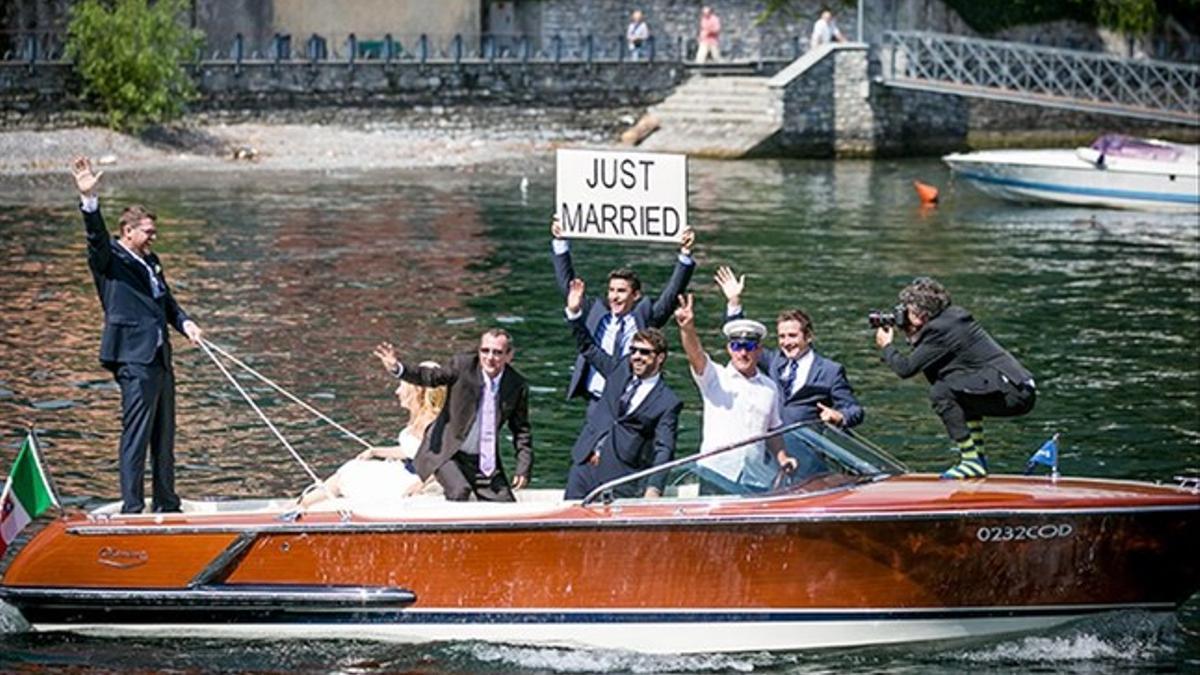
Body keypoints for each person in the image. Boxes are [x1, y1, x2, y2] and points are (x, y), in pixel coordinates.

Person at [71, 155, 203, 514]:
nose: (153, 237)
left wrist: (185, 322)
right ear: (128, 232)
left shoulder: (152, 260)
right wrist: (89, 200)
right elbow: (96, 237)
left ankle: (166, 502)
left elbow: (167, 300)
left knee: (164, 437)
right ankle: (132, 508)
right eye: (147, 231)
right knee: (136, 435)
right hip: (133, 357)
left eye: (153, 232)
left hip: (160, 357)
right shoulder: (108, 258)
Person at [875, 277, 1036, 480]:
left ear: (919, 315)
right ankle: (978, 460)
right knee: (958, 390)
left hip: (1012, 393)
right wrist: (912, 336)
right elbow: (932, 362)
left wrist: (887, 346)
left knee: (942, 392)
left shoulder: (940, 330)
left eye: (906, 310)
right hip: (1017, 388)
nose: (902, 315)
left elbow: (905, 369)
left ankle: (971, 461)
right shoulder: (951, 320)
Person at [550, 218, 695, 408]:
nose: (614, 297)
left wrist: (685, 253)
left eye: (621, 291)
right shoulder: (595, 311)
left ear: (635, 295)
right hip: (597, 400)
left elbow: (670, 294)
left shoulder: (645, 316)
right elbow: (567, 286)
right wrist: (561, 242)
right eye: (611, 290)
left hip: (631, 402)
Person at [375, 330, 532, 501]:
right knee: (460, 492)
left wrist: (523, 467)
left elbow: (521, 430)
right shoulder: (462, 366)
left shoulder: (516, 384)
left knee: (505, 502)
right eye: (485, 351)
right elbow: (430, 376)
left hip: (482, 460)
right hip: (446, 452)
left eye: (497, 352)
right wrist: (398, 368)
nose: (490, 357)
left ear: (509, 355)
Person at [563, 279, 682, 500]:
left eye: (645, 353)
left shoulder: (668, 401)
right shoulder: (619, 370)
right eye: (634, 350)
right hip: (585, 465)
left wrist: (654, 488)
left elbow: (665, 448)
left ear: (660, 358)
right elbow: (588, 347)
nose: (637, 356)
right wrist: (574, 313)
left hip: (621, 475)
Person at [674, 294, 796, 493]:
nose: (742, 353)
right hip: (716, 475)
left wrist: (782, 457)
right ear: (729, 349)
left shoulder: (769, 387)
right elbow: (695, 354)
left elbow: (773, 430)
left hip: (755, 477)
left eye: (749, 346)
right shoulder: (715, 377)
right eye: (737, 346)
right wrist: (687, 328)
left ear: (758, 350)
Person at [715, 266, 863, 429]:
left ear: (808, 337)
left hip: (805, 449)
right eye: (781, 337)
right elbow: (741, 337)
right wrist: (734, 301)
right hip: (771, 448)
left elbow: (854, 409)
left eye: (792, 336)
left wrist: (840, 416)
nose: (786, 342)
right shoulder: (772, 361)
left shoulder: (830, 371)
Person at [299, 366, 446, 508]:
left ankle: (302, 506)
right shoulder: (420, 418)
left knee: (349, 474)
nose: (397, 391)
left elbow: (444, 460)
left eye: (402, 387)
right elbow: (413, 451)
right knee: (351, 469)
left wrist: (419, 485)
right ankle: (305, 503)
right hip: (406, 473)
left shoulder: (429, 422)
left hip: (411, 480)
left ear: (415, 392)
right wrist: (375, 451)